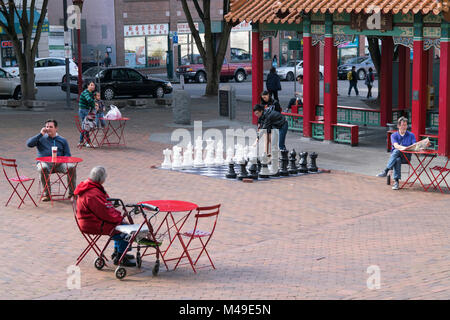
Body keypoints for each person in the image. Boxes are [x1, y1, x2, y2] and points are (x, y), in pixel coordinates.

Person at [74, 166, 136, 267]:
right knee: (125, 229)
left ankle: (118, 252)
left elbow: (105, 209)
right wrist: (120, 219)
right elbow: (105, 213)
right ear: (100, 179)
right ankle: (121, 257)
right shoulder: (93, 193)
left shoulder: (91, 186)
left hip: (90, 220)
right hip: (92, 223)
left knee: (119, 224)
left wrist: (117, 217)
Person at [27, 119, 76, 201]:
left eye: (50, 127)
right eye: (47, 127)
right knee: (42, 168)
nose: (48, 129)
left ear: (56, 128)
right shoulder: (41, 138)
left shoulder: (62, 140)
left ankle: (72, 193)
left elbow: (68, 154)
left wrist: (60, 160)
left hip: (59, 164)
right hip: (44, 163)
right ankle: (47, 194)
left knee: (71, 167)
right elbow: (29, 144)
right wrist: (40, 134)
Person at [376, 117, 421, 190]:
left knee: (396, 151)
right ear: (398, 126)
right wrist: (404, 148)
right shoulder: (393, 135)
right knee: (397, 158)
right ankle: (396, 182)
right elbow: (395, 145)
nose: (404, 127)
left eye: (405, 125)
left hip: (406, 157)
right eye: (402, 125)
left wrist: (419, 148)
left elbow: (414, 146)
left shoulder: (411, 135)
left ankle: (386, 170)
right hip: (396, 157)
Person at [78, 81, 96, 147]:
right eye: (91, 85)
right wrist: (95, 105)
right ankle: (86, 142)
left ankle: (82, 141)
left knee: (85, 126)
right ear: (88, 86)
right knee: (86, 126)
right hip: (83, 110)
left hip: (87, 110)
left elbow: (93, 101)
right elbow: (89, 100)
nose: (93, 86)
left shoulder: (91, 93)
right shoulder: (86, 92)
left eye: (93, 85)